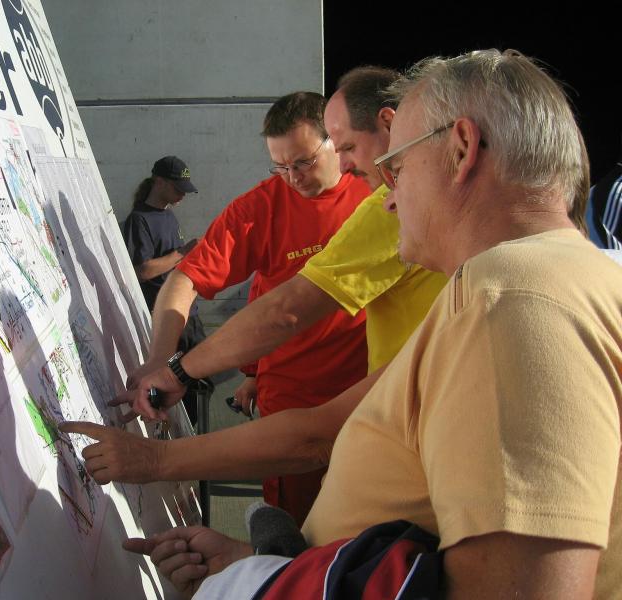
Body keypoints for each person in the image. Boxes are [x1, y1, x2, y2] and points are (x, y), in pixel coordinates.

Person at [122, 49, 622, 598]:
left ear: (461, 149)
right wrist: (265, 565)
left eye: (398, 170)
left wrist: (266, 584)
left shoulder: (512, 302)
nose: (386, 200)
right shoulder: (503, 291)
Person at [125, 91, 373, 524]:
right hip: (294, 407)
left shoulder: (378, 190)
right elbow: (185, 280)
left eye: (303, 162)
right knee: (301, 532)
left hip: (372, 397)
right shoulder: (261, 208)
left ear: (335, 140)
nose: (292, 178)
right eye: (280, 166)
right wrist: (159, 361)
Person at [122, 156, 206, 423]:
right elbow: (144, 270)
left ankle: (193, 434)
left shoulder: (168, 215)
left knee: (199, 384)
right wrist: (183, 253)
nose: (182, 195)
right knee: (178, 386)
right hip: (168, 320)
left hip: (188, 313)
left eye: (185, 190)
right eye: (178, 188)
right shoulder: (139, 220)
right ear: (158, 181)